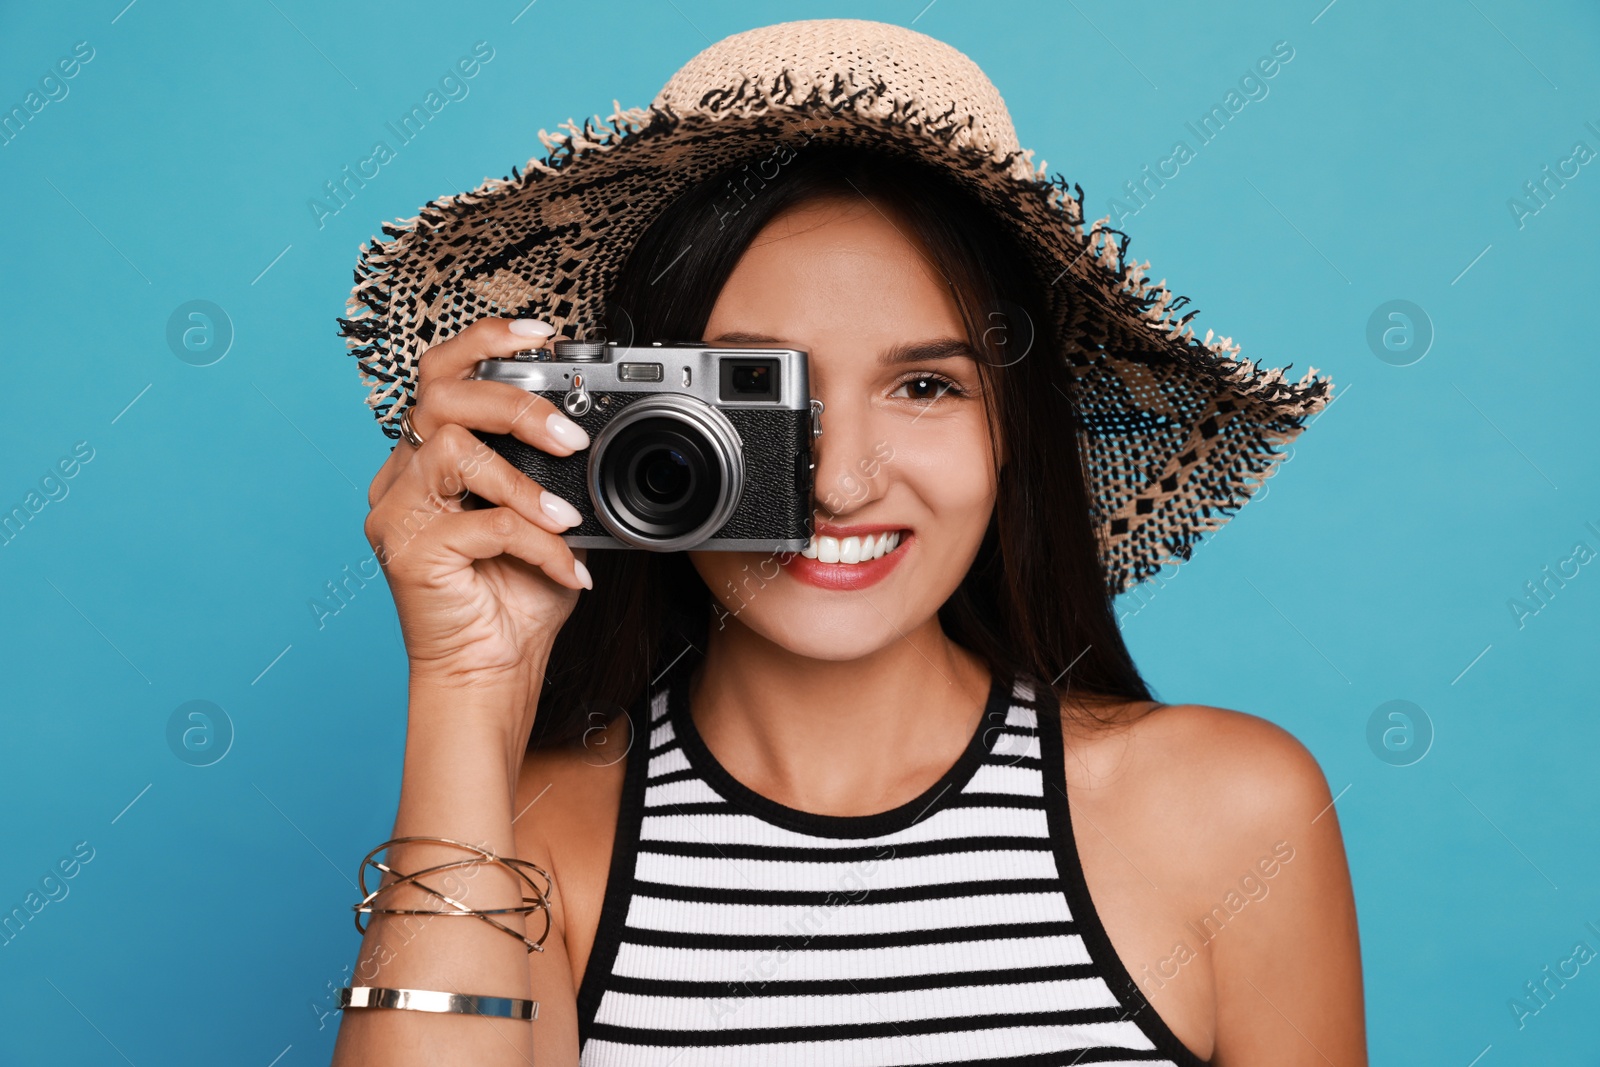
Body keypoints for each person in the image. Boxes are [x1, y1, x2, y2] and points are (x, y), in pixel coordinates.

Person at [330, 19, 1363, 1067]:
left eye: (925, 385)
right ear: (631, 428)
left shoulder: (1234, 815)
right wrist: (467, 681)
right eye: (757, 393)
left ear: (1011, 427)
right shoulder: (523, 853)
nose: (838, 481)